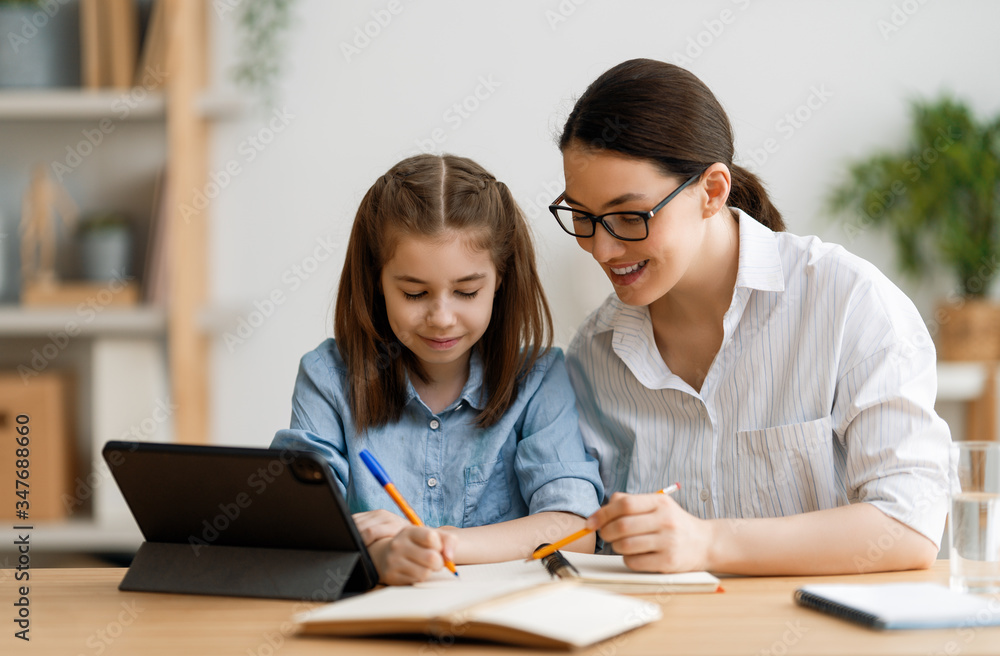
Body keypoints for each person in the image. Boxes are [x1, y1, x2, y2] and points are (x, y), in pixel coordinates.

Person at [552, 59, 950, 575]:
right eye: (583, 218)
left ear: (712, 192)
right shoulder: (595, 352)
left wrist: (709, 543)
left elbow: (910, 526)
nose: (602, 249)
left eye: (630, 217)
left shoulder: (847, 302)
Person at [272, 154, 602, 585]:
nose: (442, 317)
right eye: (414, 293)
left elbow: (575, 529)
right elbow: (292, 523)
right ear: (377, 280)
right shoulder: (328, 378)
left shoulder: (538, 378)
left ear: (499, 279)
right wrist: (382, 553)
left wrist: (444, 543)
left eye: (467, 291)